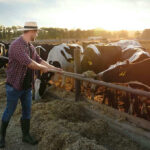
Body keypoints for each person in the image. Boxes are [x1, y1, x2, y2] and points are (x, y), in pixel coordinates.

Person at [0, 21, 63, 148]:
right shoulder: (16, 45)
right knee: (9, 111)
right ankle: (1, 137)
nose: (37, 34)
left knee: (27, 111)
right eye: (36, 32)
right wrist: (43, 69)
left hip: (27, 86)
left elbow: (39, 60)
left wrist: (53, 68)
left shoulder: (30, 46)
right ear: (31, 32)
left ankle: (26, 135)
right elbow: (30, 63)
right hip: (14, 85)